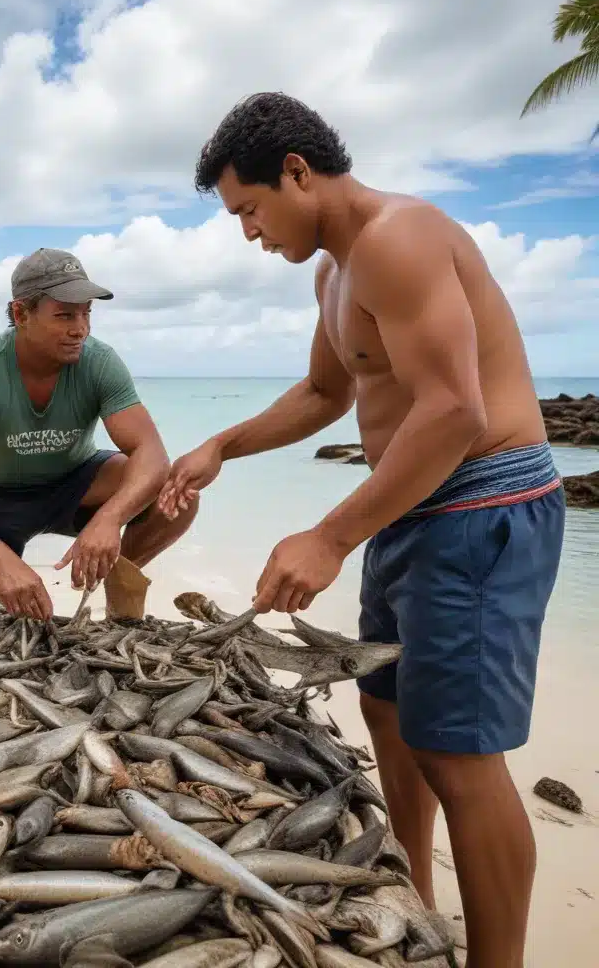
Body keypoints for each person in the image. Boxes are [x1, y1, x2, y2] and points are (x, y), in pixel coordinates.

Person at [158, 93, 564, 968]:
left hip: (481, 507)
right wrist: (220, 445)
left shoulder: (398, 239)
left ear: (298, 173)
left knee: (460, 752)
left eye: (250, 209)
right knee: (386, 710)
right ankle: (416, 905)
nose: (248, 232)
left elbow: (455, 409)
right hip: (408, 506)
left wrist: (329, 537)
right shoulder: (334, 270)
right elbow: (326, 394)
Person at [0, 247, 197, 620]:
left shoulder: (100, 362)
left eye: (87, 313)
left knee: (176, 491)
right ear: (20, 313)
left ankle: (121, 584)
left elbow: (150, 451)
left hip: (80, 483)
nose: (81, 328)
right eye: (64, 315)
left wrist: (109, 520)